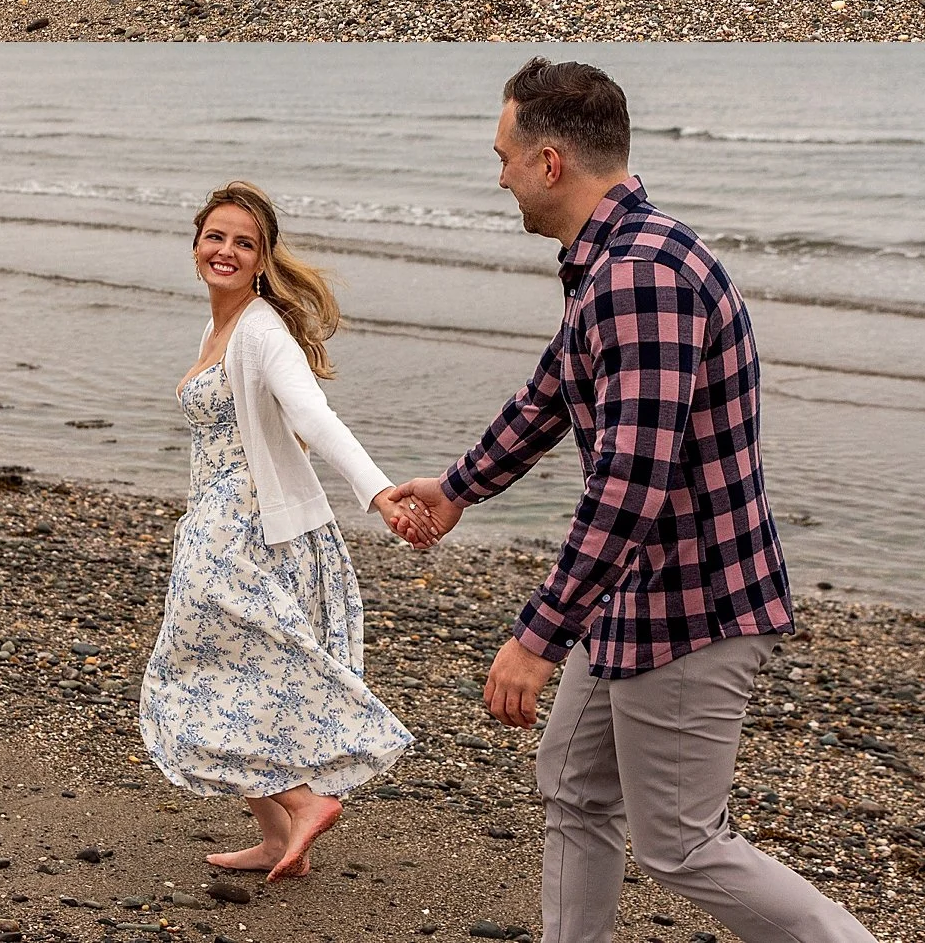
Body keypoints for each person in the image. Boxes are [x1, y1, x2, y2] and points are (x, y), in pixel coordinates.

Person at [392, 58, 879, 943]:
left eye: (502, 156)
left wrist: (536, 637)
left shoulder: (641, 276)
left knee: (683, 844)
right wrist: (459, 487)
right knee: (574, 787)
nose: (496, 174)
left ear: (549, 163)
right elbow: (552, 391)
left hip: (695, 605)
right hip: (634, 596)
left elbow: (629, 484)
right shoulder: (612, 258)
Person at [139, 179, 431, 881]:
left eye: (245, 243)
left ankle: (302, 802)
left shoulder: (262, 330)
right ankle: (277, 838)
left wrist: (380, 492)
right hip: (211, 522)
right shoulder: (216, 327)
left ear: (264, 257)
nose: (227, 251)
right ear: (196, 245)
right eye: (217, 237)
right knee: (224, 674)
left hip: (242, 532)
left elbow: (315, 417)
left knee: (191, 680)